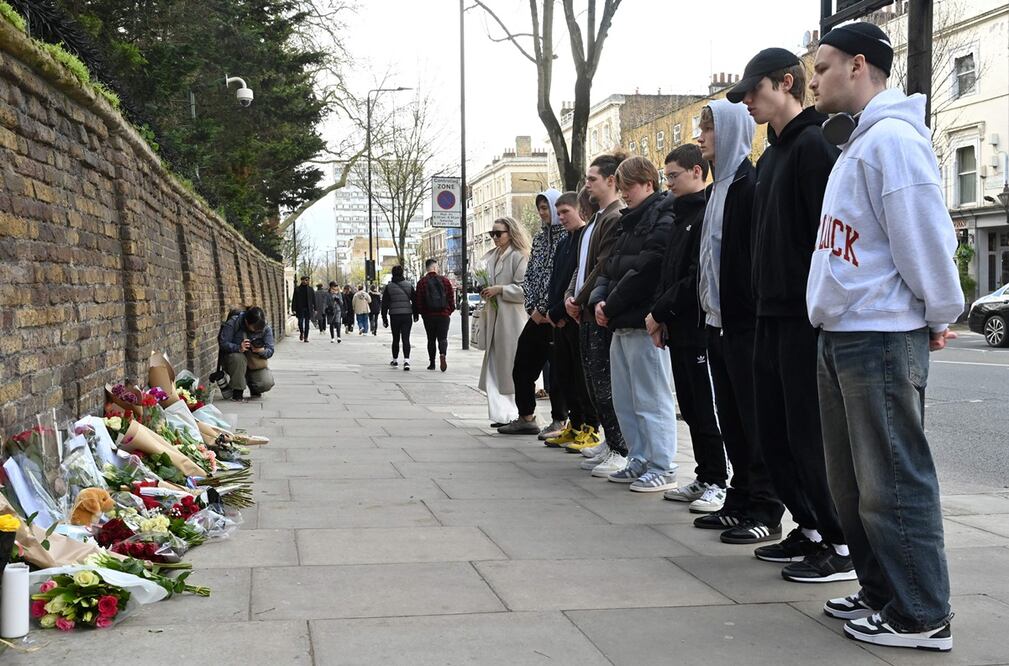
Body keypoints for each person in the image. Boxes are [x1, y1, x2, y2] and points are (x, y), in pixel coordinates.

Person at [809, 22, 962, 651]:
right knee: (852, 484)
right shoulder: (859, 143)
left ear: (860, 65)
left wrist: (938, 313)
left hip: (878, 334)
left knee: (893, 479)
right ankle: (882, 593)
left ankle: (923, 614)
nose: (814, 78)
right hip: (844, 331)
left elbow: (924, 237)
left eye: (823, 66)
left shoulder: (893, 141)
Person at [728, 47, 853, 583]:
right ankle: (808, 526)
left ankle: (842, 543)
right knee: (772, 432)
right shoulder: (771, 155)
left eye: (754, 91)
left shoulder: (813, 147)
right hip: (767, 312)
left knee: (807, 433)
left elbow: (827, 240)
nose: (749, 103)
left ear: (785, 82)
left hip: (801, 316)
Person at [694, 100, 785, 543]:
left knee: (755, 420)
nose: (700, 138)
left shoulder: (750, 186)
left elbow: (753, 256)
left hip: (745, 325)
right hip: (717, 325)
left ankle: (766, 508)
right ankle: (740, 498)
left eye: (707, 129)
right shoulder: (716, 189)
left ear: (729, 133)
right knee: (729, 417)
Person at [588, 156, 677, 493]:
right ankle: (639, 457)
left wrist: (609, 303)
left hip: (641, 321)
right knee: (626, 399)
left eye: (629, 186)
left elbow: (646, 268)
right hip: (620, 320)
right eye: (621, 186)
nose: (624, 193)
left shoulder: (661, 217)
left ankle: (662, 464)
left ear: (648, 184)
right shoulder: (630, 220)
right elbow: (609, 267)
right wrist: (600, 298)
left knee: (651, 398)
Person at [648, 144, 728, 514]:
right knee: (691, 408)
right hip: (678, 325)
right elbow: (670, 273)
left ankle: (719, 480)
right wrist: (662, 316)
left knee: (705, 406)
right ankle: (704, 473)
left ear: (697, 172)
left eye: (674, 176)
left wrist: (660, 311)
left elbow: (696, 276)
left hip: (698, 325)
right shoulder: (680, 215)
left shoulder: (706, 212)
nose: (669, 184)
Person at [564, 152, 630, 478]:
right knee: (593, 382)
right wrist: (569, 295)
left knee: (605, 384)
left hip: (596, 312)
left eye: (592, 179)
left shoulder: (615, 217)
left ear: (611, 180)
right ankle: (610, 440)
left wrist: (579, 297)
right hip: (584, 312)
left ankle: (621, 448)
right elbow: (581, 265)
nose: (587, 184)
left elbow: (603, 265)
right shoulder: (595, 219)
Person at [498, 188, 568, 436]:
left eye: (546, 207)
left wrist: (545, 308)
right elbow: (531, 276)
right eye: (541, 208)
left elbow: (557, 277)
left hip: (555, 315)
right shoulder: (540, 238)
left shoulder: (566, 237)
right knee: (522, 365)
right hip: (536, 315)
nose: (543, 213)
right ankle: (526, 416)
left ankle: (560, 420)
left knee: (558, 370)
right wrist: (531, 306)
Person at [543, 189, 601, 452]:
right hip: (559, 318)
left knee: (581, 376)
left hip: (574, 318)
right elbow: (558, 280)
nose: (561, 217)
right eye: (559, 213)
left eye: (565, 212)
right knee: (564, 375)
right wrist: (552, 311)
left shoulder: (584, 239)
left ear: (580, 210)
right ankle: (575, 424)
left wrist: (566, 310)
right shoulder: (565, 242)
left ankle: (591, 427)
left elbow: (580, 278)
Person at [478, 217, 531, 427]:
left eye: (498, 233)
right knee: (494, 366)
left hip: (511, 319)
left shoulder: (519, 256)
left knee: (510, 366)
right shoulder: (492, 256)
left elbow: (524, 290)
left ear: (511, 233)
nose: (494, 238)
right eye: (492, 234)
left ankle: (514, 413)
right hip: (494, 316)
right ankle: (500, 414)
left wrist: (500, 290)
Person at [218, 306, 275, 400]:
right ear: (246, 322)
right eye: (254, 329)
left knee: (266, 383)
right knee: (238, 358)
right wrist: (238, 347)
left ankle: (254, 386)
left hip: (254, 362)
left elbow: (270, 350)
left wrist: (261, 351)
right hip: (235, 362)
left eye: (259, 330)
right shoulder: (234, 323)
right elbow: (223, 343)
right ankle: (237, 391)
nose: (256, 331)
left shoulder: (265, 328)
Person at [415, 258, 456, 371]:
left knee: (431, 339)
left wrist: (422, 313)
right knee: (443, 338)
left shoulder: (422, 282)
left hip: (429, 315)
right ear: (434, 267)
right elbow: (451, 299)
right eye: (437, 266)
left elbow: (418, 300)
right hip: (443, 314)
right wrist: (449, 311)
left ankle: (432, 363)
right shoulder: (445, 281)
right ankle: (442, 354)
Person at [381, 266, 418, 370]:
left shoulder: (389, 287)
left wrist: (384, 318)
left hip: (394, 315)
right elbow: (415, 301)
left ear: (393, 274)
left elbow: (384, 304)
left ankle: (395, 360)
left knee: (395, 338)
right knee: (406, 338)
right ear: (402, 273)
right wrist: (415, 314)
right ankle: (407, 361)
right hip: (407, 315)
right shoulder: (409, 285)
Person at [291, 276, 315, 342]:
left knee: (307, 323)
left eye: (307, 280)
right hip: (300, 308)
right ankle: (302, 332)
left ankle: (306, 337)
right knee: (300, 322)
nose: (305, 281)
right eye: (304, 280)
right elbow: (294, 300)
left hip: (308, 308)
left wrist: (315, 308)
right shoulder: (297, 289)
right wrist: (293, 309)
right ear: (301, 280)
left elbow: (313, 299)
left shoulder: (310, 289)